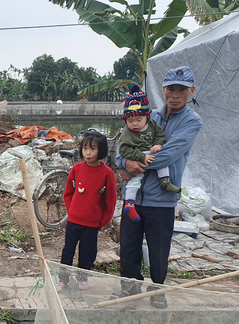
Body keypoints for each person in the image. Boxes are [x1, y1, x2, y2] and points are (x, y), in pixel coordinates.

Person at [112, 66, 203, 308]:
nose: (175, 94)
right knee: (128, 246)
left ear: (191, 91)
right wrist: (126, 161)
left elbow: (168, 156)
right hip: (134, 196)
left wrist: (133, 162)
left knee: (158, 249)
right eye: (171, 88)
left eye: (181, 90)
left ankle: (157, 291)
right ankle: (129, 288)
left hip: (161, 199)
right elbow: (119, 152)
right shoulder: (146, 115)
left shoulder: (191, 122)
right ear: (163, 90)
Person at [55, 130, 117, 292]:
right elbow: (68, 193)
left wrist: (103, 221)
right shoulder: (76, 169)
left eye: (93, 149)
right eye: (85, 149)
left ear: (101, 150)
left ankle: (82, 278)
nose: (88, 153)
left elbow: (110, 201)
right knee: (68, 250)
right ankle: (63, 279)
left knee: (87, 252)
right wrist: (72, 210)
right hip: (74, 220)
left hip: (92, 222)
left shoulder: (107, 173)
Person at [118, 85, 180, 223]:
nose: (134, 124)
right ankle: (129, 203)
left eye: (138, 120)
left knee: (160, 160)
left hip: (159, 201)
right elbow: (121, 151)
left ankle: (165, 180)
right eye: (130, 121)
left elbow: (160, 137)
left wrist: (158, 144)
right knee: (134, 181)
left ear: (147, 117)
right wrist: (135, 159)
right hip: (138, 155)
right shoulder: (127, 132)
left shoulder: (152, 125)